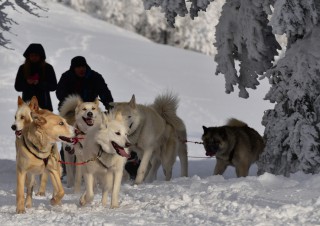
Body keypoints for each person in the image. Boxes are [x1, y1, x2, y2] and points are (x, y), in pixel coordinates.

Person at [56, 56, 114, 178]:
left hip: (90, 111)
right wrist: (73, 104)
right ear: (73, 68)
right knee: (69, 141)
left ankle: (91, 166)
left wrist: (109, 105)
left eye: (82, 66)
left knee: (92, 139)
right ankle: (68, 169)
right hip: (71, 112)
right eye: (78, 67)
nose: (81, 69)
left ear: (86, 66)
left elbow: (104, 92)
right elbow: (59, 93)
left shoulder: (94, 77)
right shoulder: (67, 77)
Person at [14, 43, 57, 111]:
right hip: (27, 108)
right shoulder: (23, 68)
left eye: (36, 55)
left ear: (41, 56)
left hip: (44, 107)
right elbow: (17, 87)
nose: (34, 57)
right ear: (28, 56)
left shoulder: (48, 68)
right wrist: (27, 82)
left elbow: (53, 86)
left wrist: (39, 83)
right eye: (32, 55)